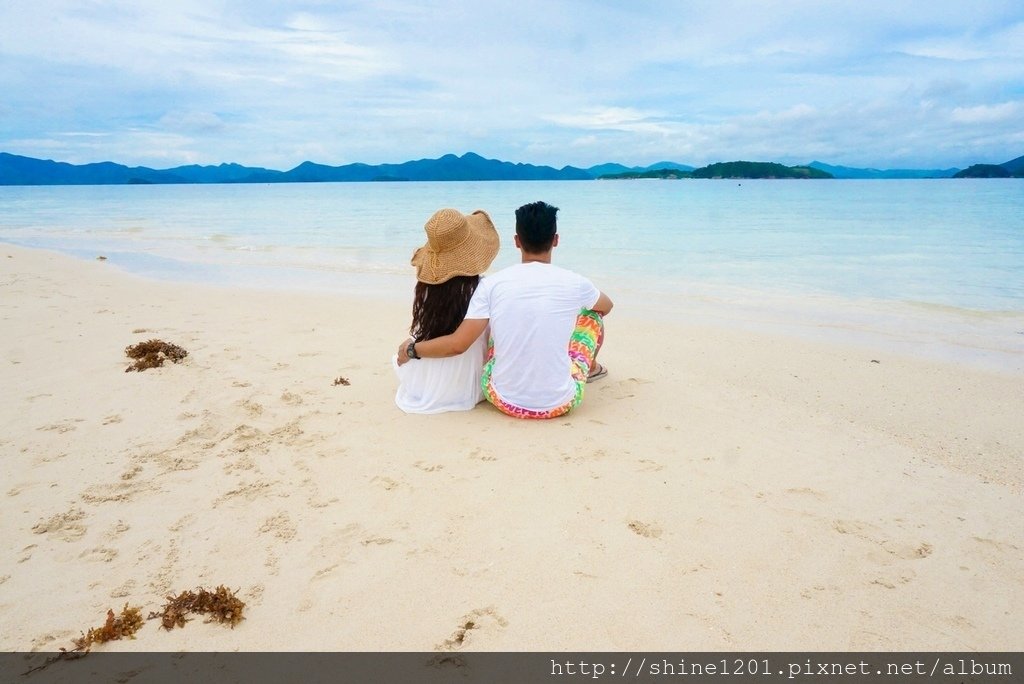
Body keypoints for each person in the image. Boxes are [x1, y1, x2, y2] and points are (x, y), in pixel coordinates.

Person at [397, 201, 612, 419]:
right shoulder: (575, 282)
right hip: (561, 403)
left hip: (501, 399)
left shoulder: (492, 285)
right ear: (556, 240)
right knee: (592, 315)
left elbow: (458, 344)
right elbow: (607, 306)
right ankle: (591, 368)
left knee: (499, 318)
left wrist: (412, 350)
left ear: (517, 241)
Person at [392, 207, 499, 414]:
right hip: (466, 385)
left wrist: (411, 349)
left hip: (423, 381)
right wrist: (411, 349)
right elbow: (457, 346)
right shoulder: (483, 289)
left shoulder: (424, 288)